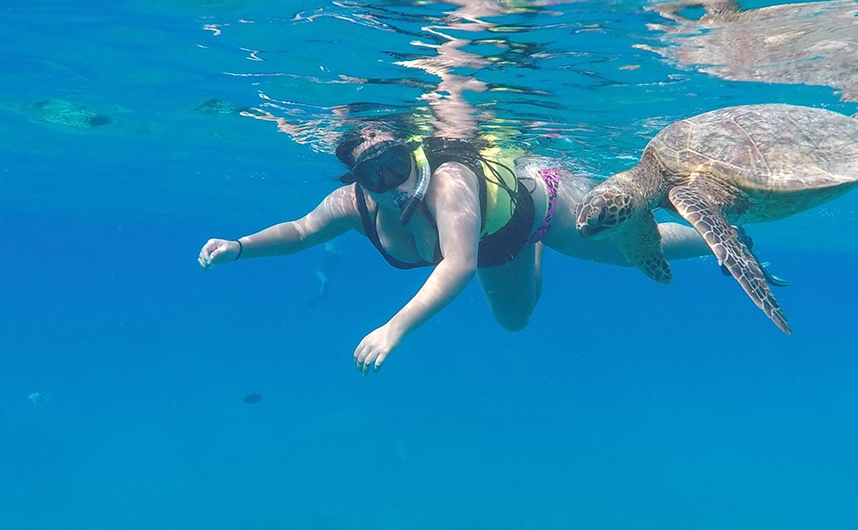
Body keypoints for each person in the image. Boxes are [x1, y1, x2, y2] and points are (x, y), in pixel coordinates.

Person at [198, 117, 714, 373]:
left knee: (624, 247)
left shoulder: (448, 183)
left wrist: (394, 328)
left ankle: (717, 244)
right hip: (498, 242)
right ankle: (530, 250)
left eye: (396, 165)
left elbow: (459, 265)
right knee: (515, 320)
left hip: (540, 204)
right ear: (357, 180)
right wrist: (238, 246)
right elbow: (300, 231)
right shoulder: (351, 205)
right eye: (374, 175)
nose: (391, 181)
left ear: (412, 154)